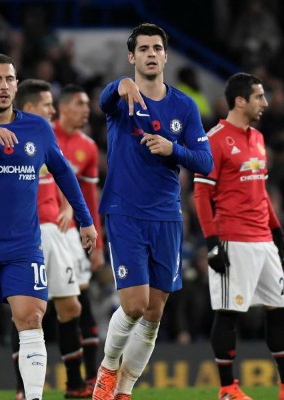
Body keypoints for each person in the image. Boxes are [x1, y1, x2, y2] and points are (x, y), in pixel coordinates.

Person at [0, 54, 97, 400]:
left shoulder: (36, 128)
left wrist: (85, 220)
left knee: (31, 319)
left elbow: (64, 173)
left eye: (10, 79)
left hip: (24, 246)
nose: (4, 86)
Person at [193, 72, 284, 400]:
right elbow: (201, 196)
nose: (265, 103)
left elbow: (261, 190)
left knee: (279, 309)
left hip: (262, 239)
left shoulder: (256, 137)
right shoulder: (213, 140)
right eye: (259, 97)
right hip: (233, 238)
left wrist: (277, 231)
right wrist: (212, 243)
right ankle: (227, 389)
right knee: (229, 313)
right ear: (240, 101)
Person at [94, 23, 213, 400]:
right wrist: (119, 85)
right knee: (133, 304)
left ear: (165, 55)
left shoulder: (184, 106)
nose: (149, 53)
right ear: (132, 56)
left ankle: (124, 391)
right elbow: (103, 100)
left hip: (166, 215)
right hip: (124, 211)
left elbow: (206, 162)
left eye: (156, 48)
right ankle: (108, 369)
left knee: (154, 312)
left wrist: (172, 148)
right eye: (142, 48)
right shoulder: (120, 100)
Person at [12, 78, 93, 399]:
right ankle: (24, 389)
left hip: (55, 233)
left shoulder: (47, 138)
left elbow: (61, 175)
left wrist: (66, 207)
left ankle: (74, 385)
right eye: (47, 105)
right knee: (27, 313)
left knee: (70, 307)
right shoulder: (13, 139)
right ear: (30, 108)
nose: (52, 110)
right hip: (27, 233)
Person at [53, 84, 103, 388]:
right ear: (63, 107)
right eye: (80, 103)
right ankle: (25, 387)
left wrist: (97, 242)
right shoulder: (44, 135)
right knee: (47, 309)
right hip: (42, 233)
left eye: (87, 103)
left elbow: (89, 197)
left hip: (72, 237)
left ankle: (93, 378)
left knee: (79, 302)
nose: (87, 109)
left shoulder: (89, 146)